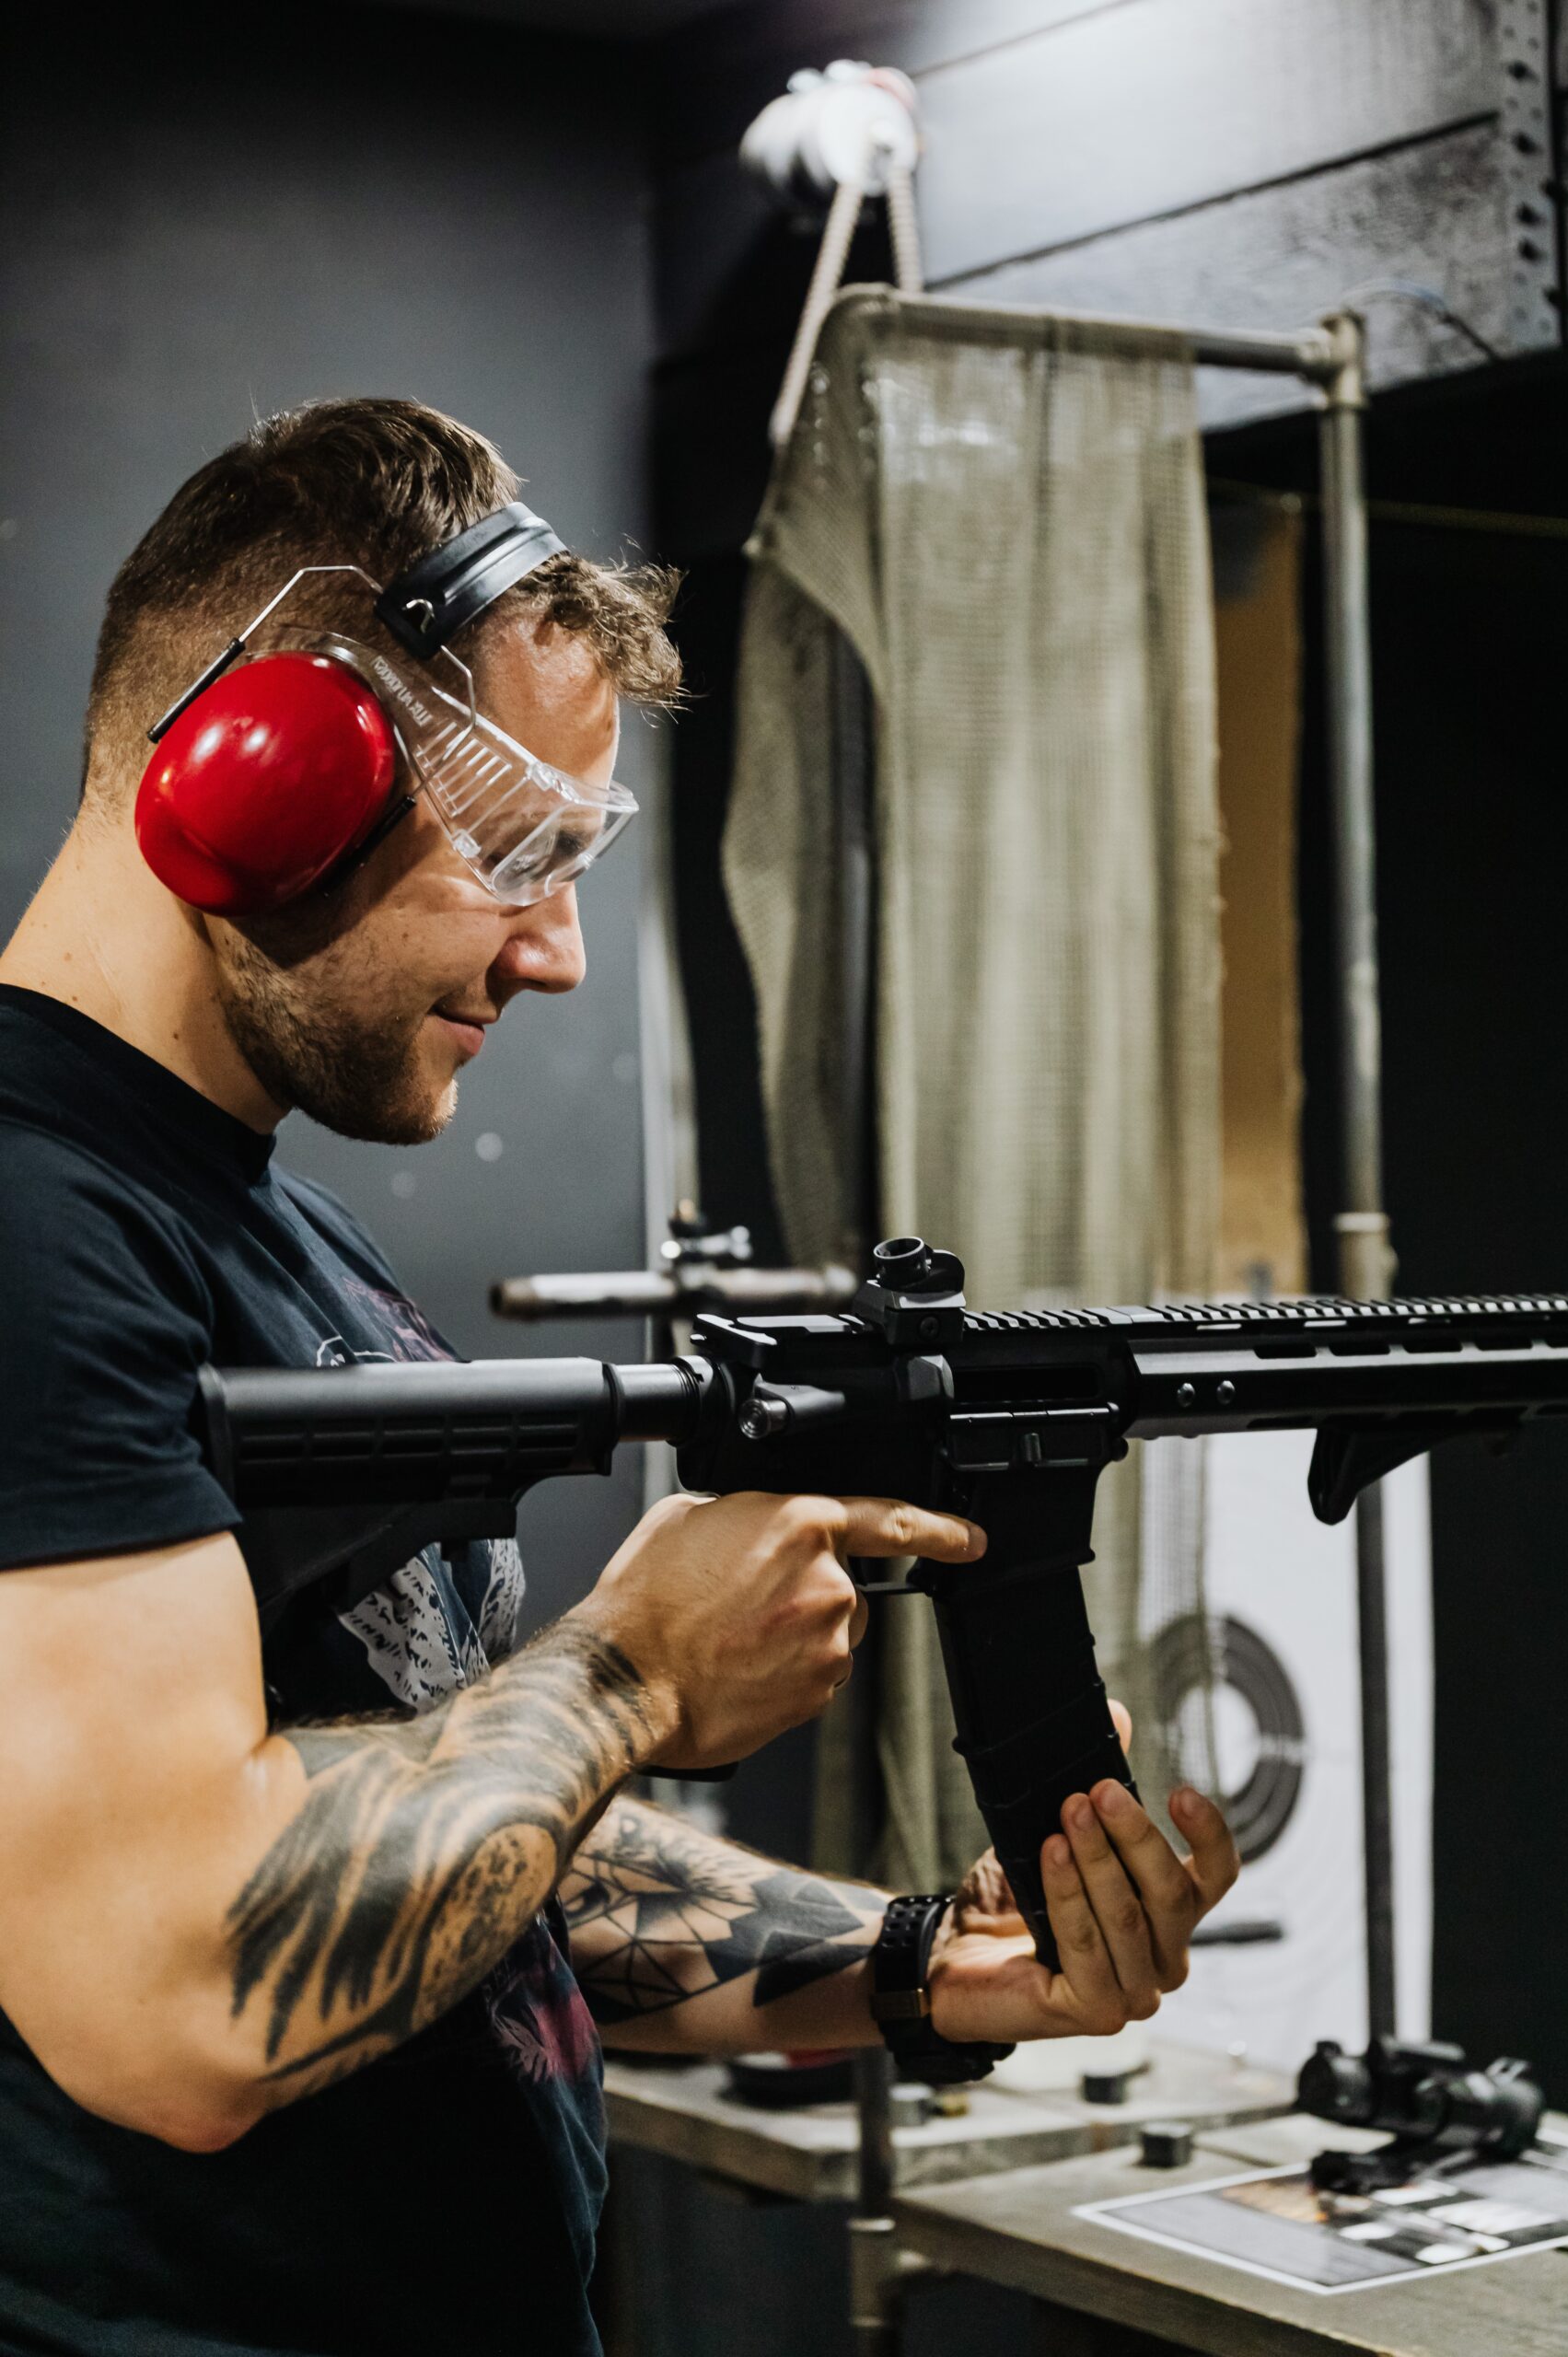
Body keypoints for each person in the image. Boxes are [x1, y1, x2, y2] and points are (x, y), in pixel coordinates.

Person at [0, 397, 1238, 2357]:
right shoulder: (34, 1225)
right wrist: (629, 1665)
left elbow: (439, 1845)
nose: (556, 948)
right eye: (512, 843)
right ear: (256, 774)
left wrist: (923, 1962)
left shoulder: (256, 1223)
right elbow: (171, 1997)